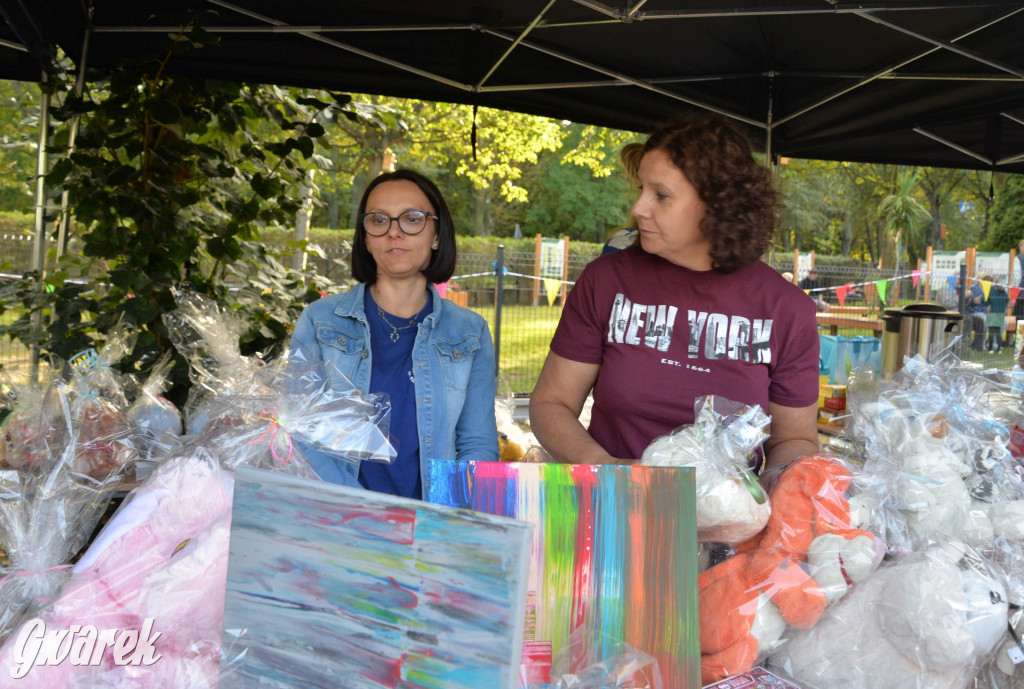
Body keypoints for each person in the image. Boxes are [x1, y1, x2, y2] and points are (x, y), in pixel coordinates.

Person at [529, 114, 820, 472]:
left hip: (732, 522)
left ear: (717, 206)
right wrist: (605, 466)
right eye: (641, 189)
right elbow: (551, 404)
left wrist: (763, 497)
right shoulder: (605, 281)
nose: (638, 208)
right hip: (614, 510)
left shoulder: (786, 309)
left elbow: (795, 440)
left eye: (661, 195)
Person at [288, 169, 498, 498]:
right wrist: (362, 512)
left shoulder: (470, 333)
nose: (394, 233)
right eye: (379, 220)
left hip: (431, 526)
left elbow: (477, 445)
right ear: (366, 238)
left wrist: (444, 519)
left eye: (412, 219)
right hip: (339, 523)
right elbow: (301, 433)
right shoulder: (320, 321)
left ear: (436, 235)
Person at [984, 277, 1009, 353]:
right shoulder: (1003, 291)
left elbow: (983, 298)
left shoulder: (990, 290)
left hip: (992, 312)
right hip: (1001, 313)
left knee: (991, 331)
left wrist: (987, 304)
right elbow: (1007, 300)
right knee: (998, 332)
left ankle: (991, 348)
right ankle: (999, 348)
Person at [967, 278, 988, 351]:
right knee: (984, 320)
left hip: (986, 312)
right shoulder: (973, 288)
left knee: (982, 321)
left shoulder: (988, 288)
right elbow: (975, 301)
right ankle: (980, 344)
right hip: (975, 311)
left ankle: (980, 345)